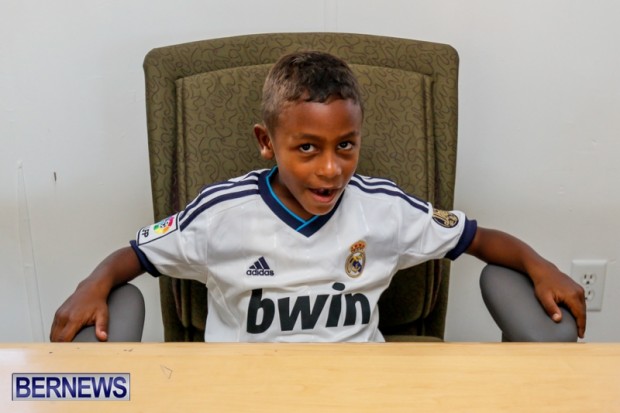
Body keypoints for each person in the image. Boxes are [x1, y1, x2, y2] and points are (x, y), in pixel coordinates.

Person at [50, 51, 586, 342]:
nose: (331, 169)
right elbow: (136, 256)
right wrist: (92, 284)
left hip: (358, 392)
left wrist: (539, 267)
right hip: (243, 395)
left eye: (345, 145)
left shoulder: (384, 209)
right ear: (267, 143)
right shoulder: (219, 215)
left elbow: (478, 239)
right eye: (307, 148)